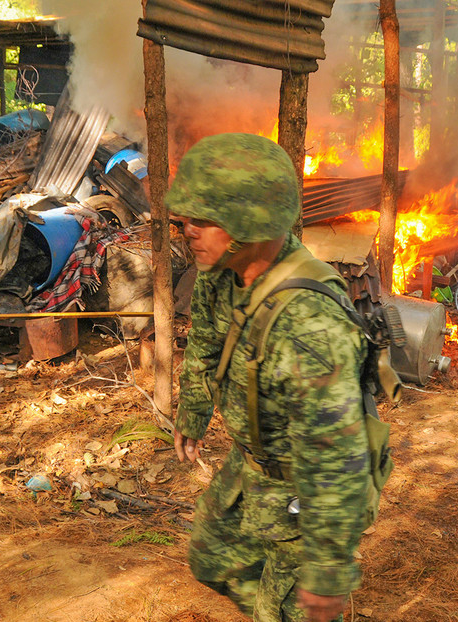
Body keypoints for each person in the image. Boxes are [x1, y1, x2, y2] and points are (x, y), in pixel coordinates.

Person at [168, 133, 373, 622]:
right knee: (210, 557)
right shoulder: (224, 271)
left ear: (249, 223)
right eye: (184, 218)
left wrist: (325, 574)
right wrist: (193, 412)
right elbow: (205, 342)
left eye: (201, 219)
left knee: (284, 612)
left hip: (304, 492)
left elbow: (337, 461)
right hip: (251, 467)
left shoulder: (309, 326)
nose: (185, 229)